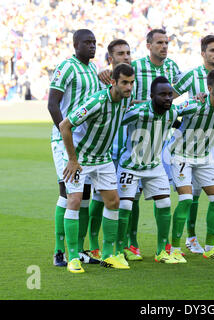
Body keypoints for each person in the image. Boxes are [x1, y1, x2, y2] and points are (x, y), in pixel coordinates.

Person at [58, 63, 135, 273]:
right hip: (81, 158)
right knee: (74, 200)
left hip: (102, 159)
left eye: (131, 82)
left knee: (113, 201)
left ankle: (109, 255)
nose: (129, 87)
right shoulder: (97, 101)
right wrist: (72, 160)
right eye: (124, 83)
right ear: (113, 82)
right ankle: (73, 257)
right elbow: (65, 126)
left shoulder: (125, 100)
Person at [117, 76, 197, 264]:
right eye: (163, 95)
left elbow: (189, 105)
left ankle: (162, 251)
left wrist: (200, 97)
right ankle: (120, 250)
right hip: (131, 165)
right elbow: (116, 119)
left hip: (154, 165)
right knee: (126, 206)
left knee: (164, 205)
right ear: (152, 96)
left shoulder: (173, 111)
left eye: (170, 94)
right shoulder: (138, 112)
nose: (168, 98)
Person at [168, 68, 214, 262]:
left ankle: (210, 247)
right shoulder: (194, 104)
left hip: (204, 156)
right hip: (182, 155)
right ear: (209, 88)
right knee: (186, 199)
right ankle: (175, 249)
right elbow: (169, 110)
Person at [125, 29, 182, 259]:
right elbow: (125, 95)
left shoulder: (173, 68)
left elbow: (176, 94)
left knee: (163, 196)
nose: (164, 46)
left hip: (160, 138)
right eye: (159, 43)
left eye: (166, 42)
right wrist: (148, 104)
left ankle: (164, 246)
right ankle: (131, 242)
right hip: (134, 136)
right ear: (148, 45)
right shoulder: (136, 67)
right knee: (133, 196)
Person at [47, 29, 102, 267]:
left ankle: (79, 250)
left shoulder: (92, 69)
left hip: (86, 143)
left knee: (85, 197)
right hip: (65, 140)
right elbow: (52, 103)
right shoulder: (67, 67)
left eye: (94, 42)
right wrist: (63, 133)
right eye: (87, 42)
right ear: (75, 44)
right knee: (69, 195)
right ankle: (60, 251)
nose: (92, 46)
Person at [172, 35, 214, 254]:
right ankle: (190, 238)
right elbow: (169, 99)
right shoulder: (192, 77)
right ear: (203, 53)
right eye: (212, 50)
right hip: (187, 144)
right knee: (191, 196)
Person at [87, 39, 133, 262]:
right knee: (99, 198)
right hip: (101, 151)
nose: (125, 57)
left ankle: (123, 245)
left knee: (126, 199)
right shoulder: (100, 81)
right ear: (110, 58)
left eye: (128, 53)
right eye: (120, 53)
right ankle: (95, 245)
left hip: (126, 150)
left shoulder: (130, 81)